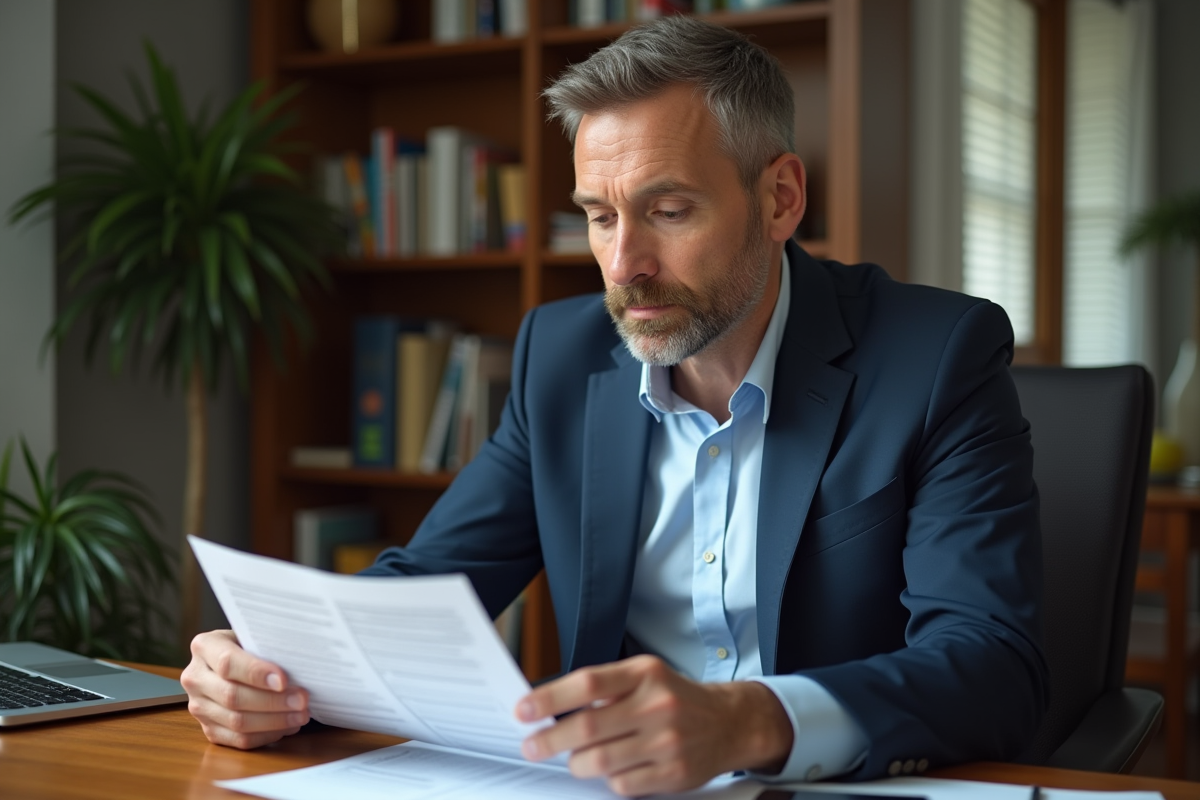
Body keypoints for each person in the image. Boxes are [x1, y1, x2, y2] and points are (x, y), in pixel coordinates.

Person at [182, 16, 1048, 796]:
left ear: (780, 198)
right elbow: (431, 584)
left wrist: (748, 720)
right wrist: (276, 670)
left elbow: (991, 664)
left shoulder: (937, 357)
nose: (624, 262)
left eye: (668, 210)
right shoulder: (557, 359)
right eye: (598, 216)